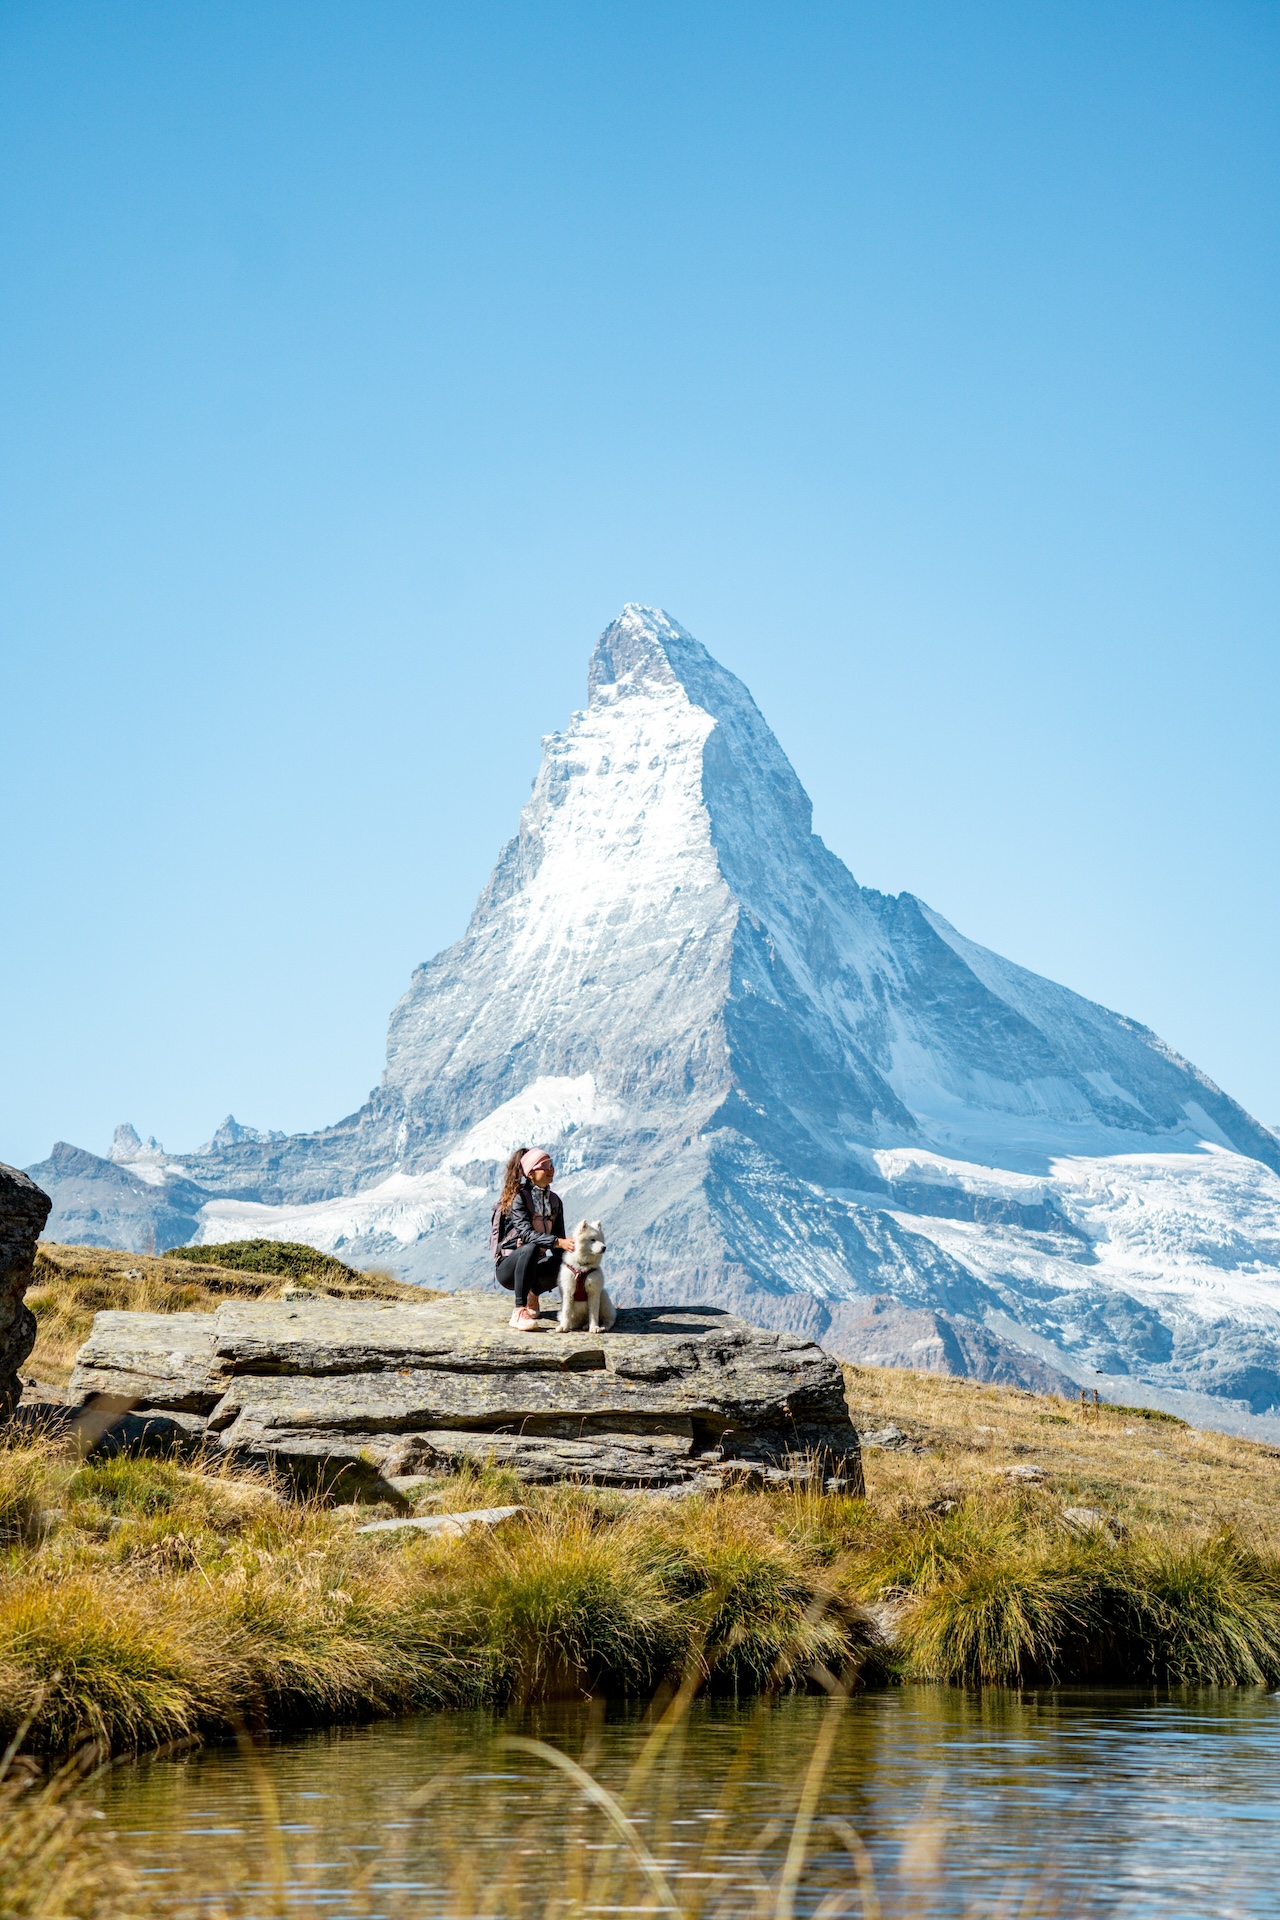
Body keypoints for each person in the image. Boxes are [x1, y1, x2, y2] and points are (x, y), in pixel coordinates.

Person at [493, 1146, 575, 1330]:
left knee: (568, 1261)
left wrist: (574, 1257)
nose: (551, 1169)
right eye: (545, 1166)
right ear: (530, 1173)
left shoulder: (554, 1201)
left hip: (535, 1266)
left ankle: (533, 1294)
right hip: (509, 1269)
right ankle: (519, 1311)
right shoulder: (520, 1199)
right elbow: (526, 1234)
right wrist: (558, 1242)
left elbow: (559, 1244)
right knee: (530, 1247)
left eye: (552, 1165)